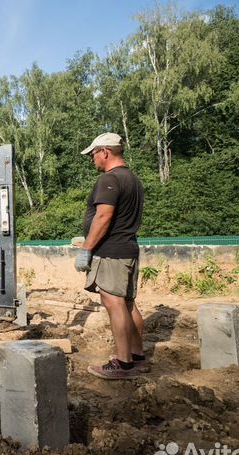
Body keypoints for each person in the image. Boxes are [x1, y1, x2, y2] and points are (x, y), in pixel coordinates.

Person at [75, 132, 146, 380]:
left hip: (111, 253)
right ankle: (136, 355)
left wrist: (86, 248)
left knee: (113, 303)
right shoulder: (132, 179)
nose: (92, 159)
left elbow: (104, 216)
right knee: (127, 303)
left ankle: (123, 363)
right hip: (127, 248)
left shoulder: (110, 179)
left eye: (93, 154)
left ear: (105, 152)